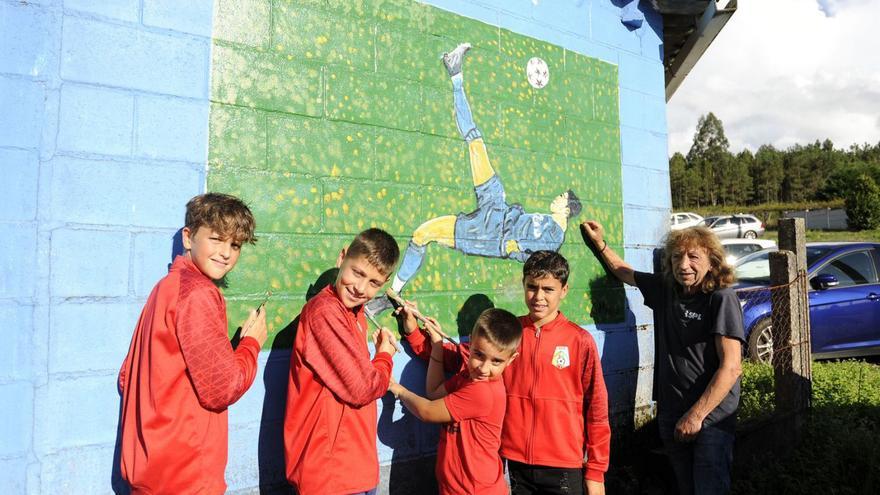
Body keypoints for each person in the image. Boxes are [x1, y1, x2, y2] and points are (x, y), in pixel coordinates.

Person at [367, 42, 581, 315]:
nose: (557, 197)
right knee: (475, 141)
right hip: (497, 207)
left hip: (488, 234)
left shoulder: (553, 237)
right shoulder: (549, 223)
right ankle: (455, 71)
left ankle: (391, 295)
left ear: (567, 209)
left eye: (561, 198)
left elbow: (519, 249)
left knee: (423, 234)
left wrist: (510, 245)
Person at [397, 250, 611, 495]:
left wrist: (595, 472)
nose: (538, 296)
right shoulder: (508, 336)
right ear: (523, 285)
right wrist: (414, 334)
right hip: (515, 461)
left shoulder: (579, 341)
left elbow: (596, 408)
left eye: (548, 289)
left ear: (563, 290)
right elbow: (457, 357)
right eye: (532, 287)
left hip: (563, 465)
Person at [117, 192, 268, 494]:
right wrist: (251, 343)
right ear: (188, 238)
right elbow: (221, 389)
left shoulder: (165, 288)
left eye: (235, 245)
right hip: (185, 476)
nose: (226, 253)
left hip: (150, 468)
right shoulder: (198, 294)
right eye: (216, 239)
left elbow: (126, 377)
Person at [580, 221, 744, 495]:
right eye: (677, 256)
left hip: (711, 417)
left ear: (712, 261)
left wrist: (696, 416)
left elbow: (731, 367)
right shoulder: (666, 289)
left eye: (694, 257)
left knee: (710, 488)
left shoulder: (720, 298)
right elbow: (625, 272)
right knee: (685, 487)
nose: (684, 265)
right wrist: (599, 243)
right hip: (672, 411)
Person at [283, 228, 401, 495]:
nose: (360, 288)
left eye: (374, 283)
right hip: (331, 474)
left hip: (353, 468)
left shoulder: (353, 313)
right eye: (357, 273)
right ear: (342, 258)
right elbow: (362, 388)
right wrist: (383, 357)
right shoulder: (324, 311)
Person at [389, 308, 522, 495]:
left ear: (511, 360)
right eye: (479, 355)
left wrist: (398, 389)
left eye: (496, 361)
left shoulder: (482, 392)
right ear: (470, 344)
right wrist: (437, 344)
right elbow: (434, 392)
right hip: (456, 487)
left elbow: (427, 411)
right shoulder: (467, 377)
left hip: (475, 491)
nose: (484, 368)